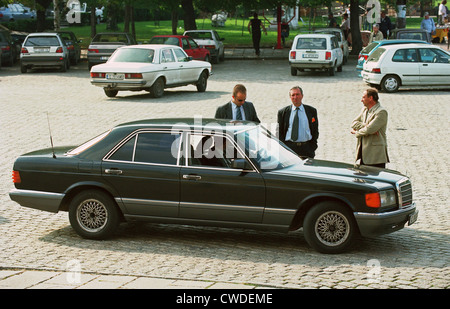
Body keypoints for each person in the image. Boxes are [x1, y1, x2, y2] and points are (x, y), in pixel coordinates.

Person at [351, 88, 389, 168]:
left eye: (363, 97)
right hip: (364, 155)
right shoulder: (365, 109)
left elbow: (369, 130)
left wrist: (356, 132)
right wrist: (367, 125)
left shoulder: (381, 112)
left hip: (375, 156)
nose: (361, 100)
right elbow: (354, 123)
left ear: (371, 98)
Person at [277, 86, 319, 158]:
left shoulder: (311, 111)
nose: (295, 97)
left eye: (297, 94)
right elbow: (279, 131)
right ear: (290, 97)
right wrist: (284, 148)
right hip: (289, 148)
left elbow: (315, 130)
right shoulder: (283, 112)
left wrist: (313, 146)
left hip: (306, 148)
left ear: (302, 96)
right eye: (293, 95)